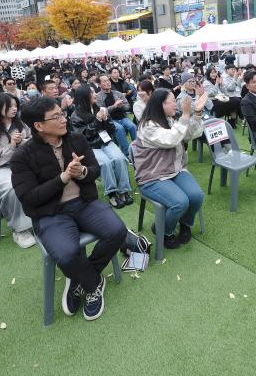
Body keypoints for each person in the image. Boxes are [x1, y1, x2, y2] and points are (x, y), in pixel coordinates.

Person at [11, 97, 127, 320]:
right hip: (50, 213)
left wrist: (82, 172)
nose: (64, 119)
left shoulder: (76, 139)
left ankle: (80, 279)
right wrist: (63, 177)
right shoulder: (22, 156)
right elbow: (29, 198)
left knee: (117, 231)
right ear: (39, 126)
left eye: (62, 114)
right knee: (66, 254)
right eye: (56, 117)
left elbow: (94, 170)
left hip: (84, 202)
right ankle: (93, 283)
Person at [132, 89, 206, 249]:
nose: (176, 103)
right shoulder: (147, 126)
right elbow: (172, 139)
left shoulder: (170, 120)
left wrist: (198, 113)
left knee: (196, 196)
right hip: (152, 176)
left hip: (175, 170)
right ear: (161, 104)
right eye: (172, 101)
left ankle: (185, 224)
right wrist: (186, 116)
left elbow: (190, 134)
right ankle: (164, 231)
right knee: (180, 202)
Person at [0, 93, 36, 248]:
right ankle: (20, 229)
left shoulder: (22, 125)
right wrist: (11, 146)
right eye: (9, 106)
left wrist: (21, 142)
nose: (14, 109)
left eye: (15, 105)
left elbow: (35, 143)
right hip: (0, 169)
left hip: (25, 163)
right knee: (12, 186)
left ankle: (46, 213)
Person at [71, 85, 134, 210]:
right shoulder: (76, 115)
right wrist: (98, 120)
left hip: (106, 142)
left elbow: (112, 129)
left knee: (120, 158)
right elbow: (83, 136)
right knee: (105, 163)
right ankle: (111, 193)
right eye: (92, 92)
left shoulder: (100, 109)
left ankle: (124, 190)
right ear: (84, 97)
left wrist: (105, 120)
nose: (95, 94)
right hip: (90, 147)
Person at [95, 75, 135, 156]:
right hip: (110, 120)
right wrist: (114, 106)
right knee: (119, 129)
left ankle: (138, 149)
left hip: (122, 117)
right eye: (104, 81)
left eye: (108, 80)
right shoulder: (98, 97)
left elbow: (127, 106)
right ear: (99, 85)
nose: (108, 82)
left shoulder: (117, 93)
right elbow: (102, 111)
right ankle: (127, 154)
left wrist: (121, 106)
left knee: (132, 126)